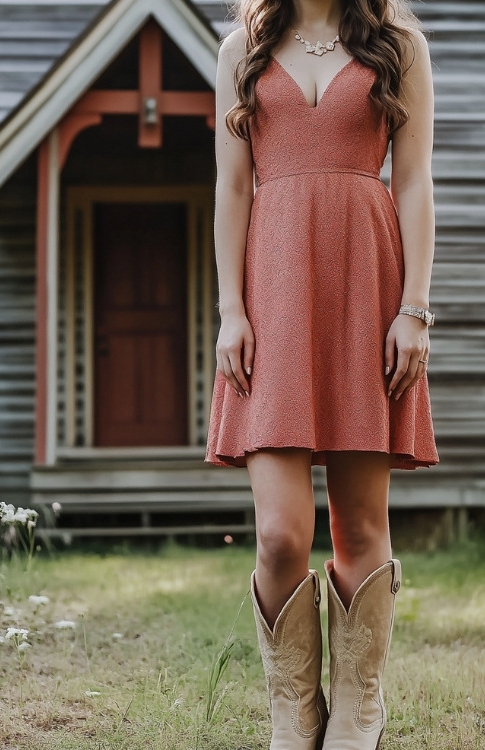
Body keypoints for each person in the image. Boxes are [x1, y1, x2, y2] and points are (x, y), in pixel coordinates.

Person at [205, 0, 438, 747]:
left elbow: (414, 181)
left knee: (361, 524)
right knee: (278, 535)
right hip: (273, 296)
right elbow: (232, 186)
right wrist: (230, 309)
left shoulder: (401, 44)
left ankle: (357, 708)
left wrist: (415, 309)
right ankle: (293, 714)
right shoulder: (240, 46)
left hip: (367, 288)